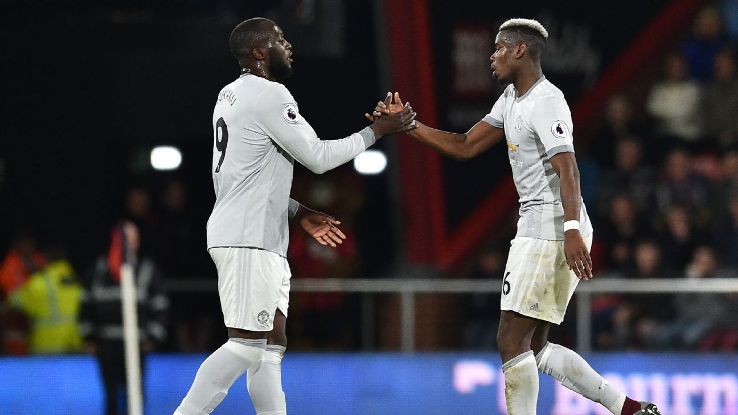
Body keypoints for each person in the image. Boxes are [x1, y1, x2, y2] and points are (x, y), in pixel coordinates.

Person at [370, 18, 659, 415]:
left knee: (510, 340)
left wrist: (571, 230)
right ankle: (627, 408)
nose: (491, 56)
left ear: (520, 50)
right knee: (534, 347)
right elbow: (466, 145)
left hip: (551, 229)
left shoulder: (547, 101)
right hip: (545, 228)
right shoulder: (511, 98)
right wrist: (410, 126)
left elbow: (569, 168)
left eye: (499, 48)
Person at [173, 17, 415, 415]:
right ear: (258, 52)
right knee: (247, 347)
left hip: (256, 235)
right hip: (248, 238)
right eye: (279, 39)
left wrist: (299, 212)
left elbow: (245, 180)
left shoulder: (228, 95)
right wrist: (378, 132)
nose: (288, 45)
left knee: (270, 348)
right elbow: (318, 158)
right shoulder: (270, 94)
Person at [80, 221, 169, 415]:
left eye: (133, 238)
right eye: (125, 238)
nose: (129, 243)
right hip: (106, 345)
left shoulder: (147, 270)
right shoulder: (99, 270)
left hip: (137, 345)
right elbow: (86, 305)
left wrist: (152, 338)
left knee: (135, 395)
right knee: (111, 395)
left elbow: (160, 306)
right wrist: (89, 338)